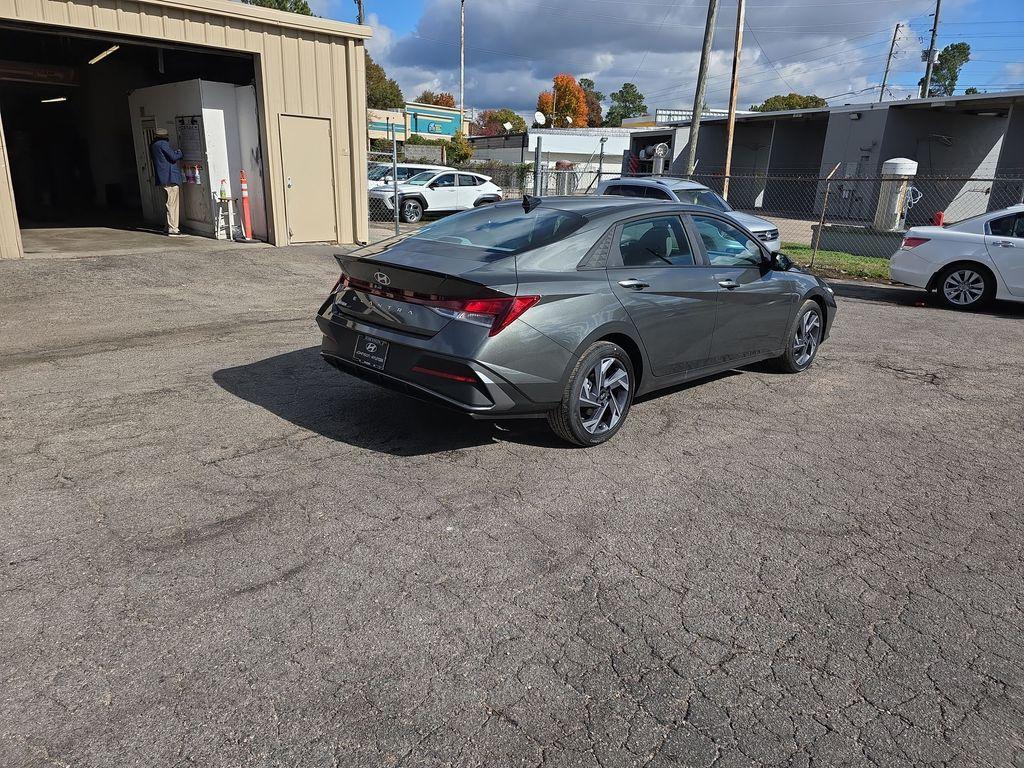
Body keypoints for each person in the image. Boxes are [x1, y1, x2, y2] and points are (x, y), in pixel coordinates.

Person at [150, 128, 184, 236]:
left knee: (168, 203)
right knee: (172, 203)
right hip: (170, 178)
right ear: (165, 136)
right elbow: (173, 156)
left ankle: (167, 226)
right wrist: (179, 152)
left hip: (162, 178)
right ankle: (173, 228)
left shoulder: (153, 145)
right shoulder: (163, 144)